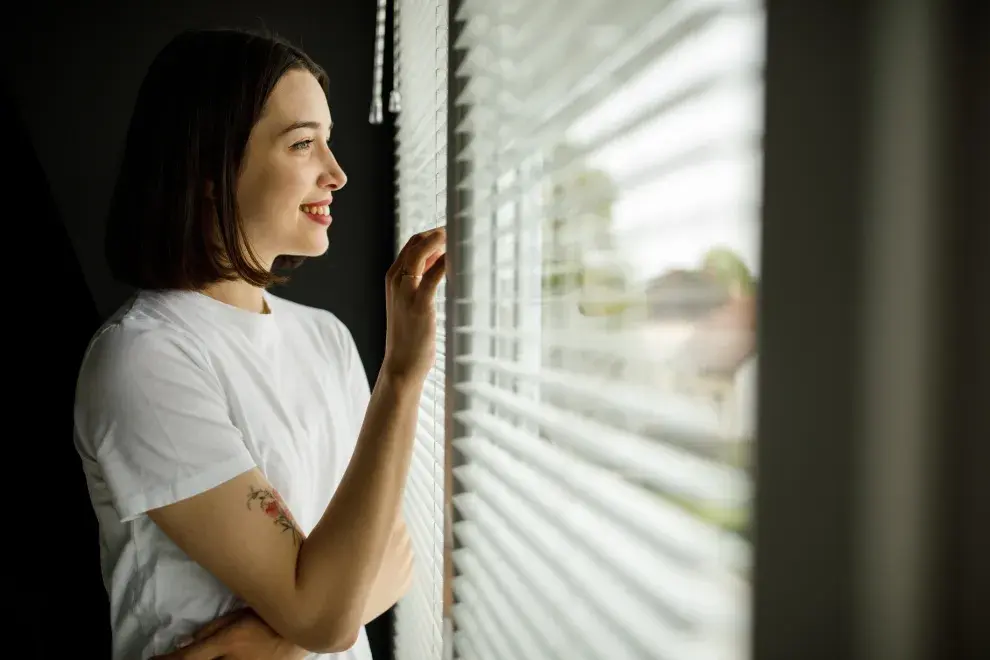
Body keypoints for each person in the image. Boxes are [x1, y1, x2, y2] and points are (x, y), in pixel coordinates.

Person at [73, 27, 446, 659]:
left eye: (328, 142)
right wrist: (402, 376)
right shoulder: (145, 359)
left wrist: (266, 645)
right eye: (304, 144)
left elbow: (394, 557)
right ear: (212, 169)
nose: (338, 173)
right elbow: (328, 611)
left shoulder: (326, 338)